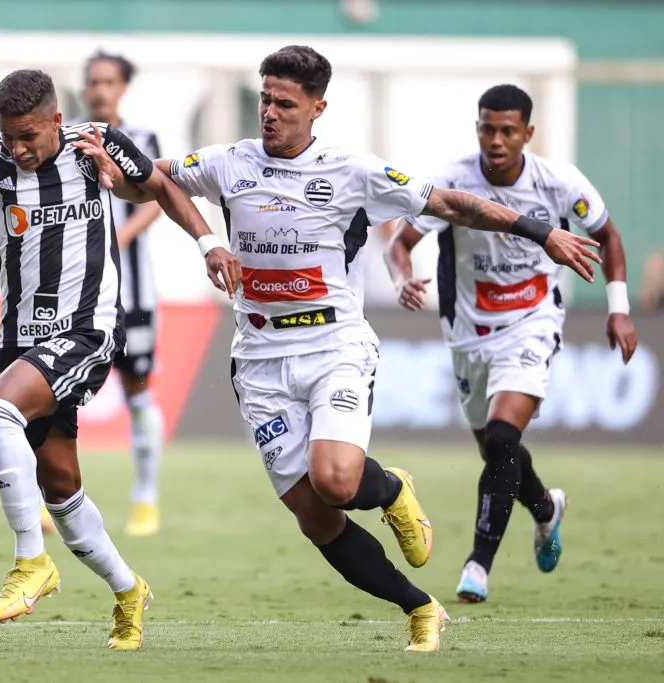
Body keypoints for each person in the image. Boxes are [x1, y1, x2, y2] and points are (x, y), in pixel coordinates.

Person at [78, 46, 602, 652]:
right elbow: (157, 179)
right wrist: (171, 215)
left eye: (285, 104)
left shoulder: (353, 170)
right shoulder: (228, 162)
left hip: (335, 347)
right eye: (265, 100)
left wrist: (541, 230)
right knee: (316, 516)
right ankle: (420, 607)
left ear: (317, 108)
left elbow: (450, 203)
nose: (269, 113)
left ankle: (391, 489)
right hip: (259, 360)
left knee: (336, 481)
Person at [0, 69, 240, 650]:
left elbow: (156, 187)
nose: (19, 148)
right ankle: (128, 589)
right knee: (60, 486)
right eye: (10, 136)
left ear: (57, 120)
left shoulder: (96, 145)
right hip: (21, 341)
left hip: (88, 329)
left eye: (30, 135)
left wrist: (208, 241)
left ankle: (30, 562)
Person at [382, 84, 638, 603]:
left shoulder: (558, 182)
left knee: (502, 440)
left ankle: (478, 564)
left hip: (532, 320)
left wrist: (619, 307)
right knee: (499, 452)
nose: (495, 141)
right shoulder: (452, 181)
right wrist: (400, 279)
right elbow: (400, 244)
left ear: (528, 133)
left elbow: (608, 236)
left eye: (506, 131)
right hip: (468, 332)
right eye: (486, 129)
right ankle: (545, 507)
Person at [75, 51, 166, 536]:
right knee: (57, 397)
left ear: (123, 87)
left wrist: (117, 238)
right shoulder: (66, 137)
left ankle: (145, 498)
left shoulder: (143, 139)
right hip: (77, 296)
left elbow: (160, 195)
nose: (99, 89)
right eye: (93, 81)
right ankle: (56, 499)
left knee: (137, 394)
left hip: (133, 295)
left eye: (109, 81)